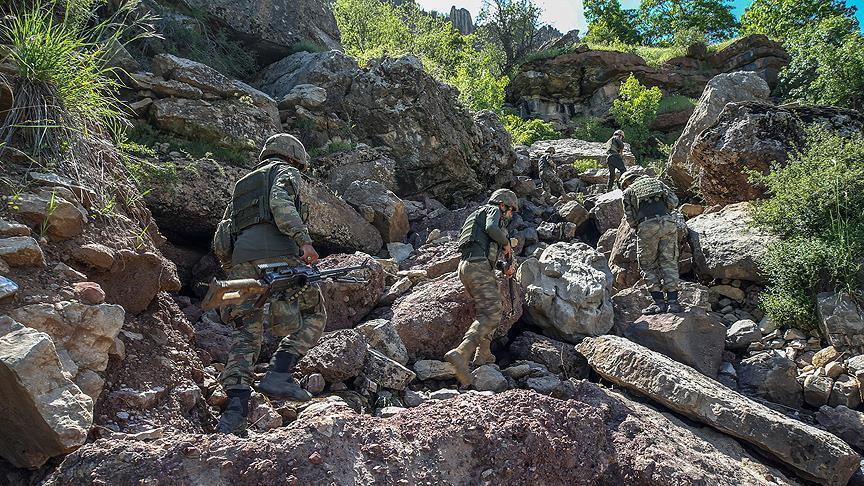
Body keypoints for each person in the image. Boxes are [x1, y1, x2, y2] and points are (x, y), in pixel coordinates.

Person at [214, 133, 327, 435]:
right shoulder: (285, 171)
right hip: (280, 254)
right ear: (294, 156)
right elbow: (280, 202)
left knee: (246, 334)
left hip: (241, 262)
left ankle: (235, 410)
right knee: (314, 313)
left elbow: (223, 233)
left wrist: (234, 271)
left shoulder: (242, 186)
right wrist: (304, 242)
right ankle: (279, 373)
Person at [445, 189, 518, 385]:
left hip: (467, 267)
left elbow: (482, 247)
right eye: (510, 211)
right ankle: (462, 353)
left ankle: (483, 354)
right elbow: (492, 229)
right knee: (491, 313)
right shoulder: (492, 211)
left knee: (488, 311)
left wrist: (504, 266)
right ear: (502, 205)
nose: (510, 216)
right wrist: (506, 244)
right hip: (478, 268)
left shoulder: (475, 216)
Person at [620, 171, 681, 315]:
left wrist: (641, 227)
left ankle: (659, 303)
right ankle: (673, 303)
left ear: (627, 182)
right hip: (667, 223)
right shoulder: (658, 183)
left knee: (647, 265)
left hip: (647, 226)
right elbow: (674, 201)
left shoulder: (629, 191)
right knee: (669, 262)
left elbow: (630, 218)